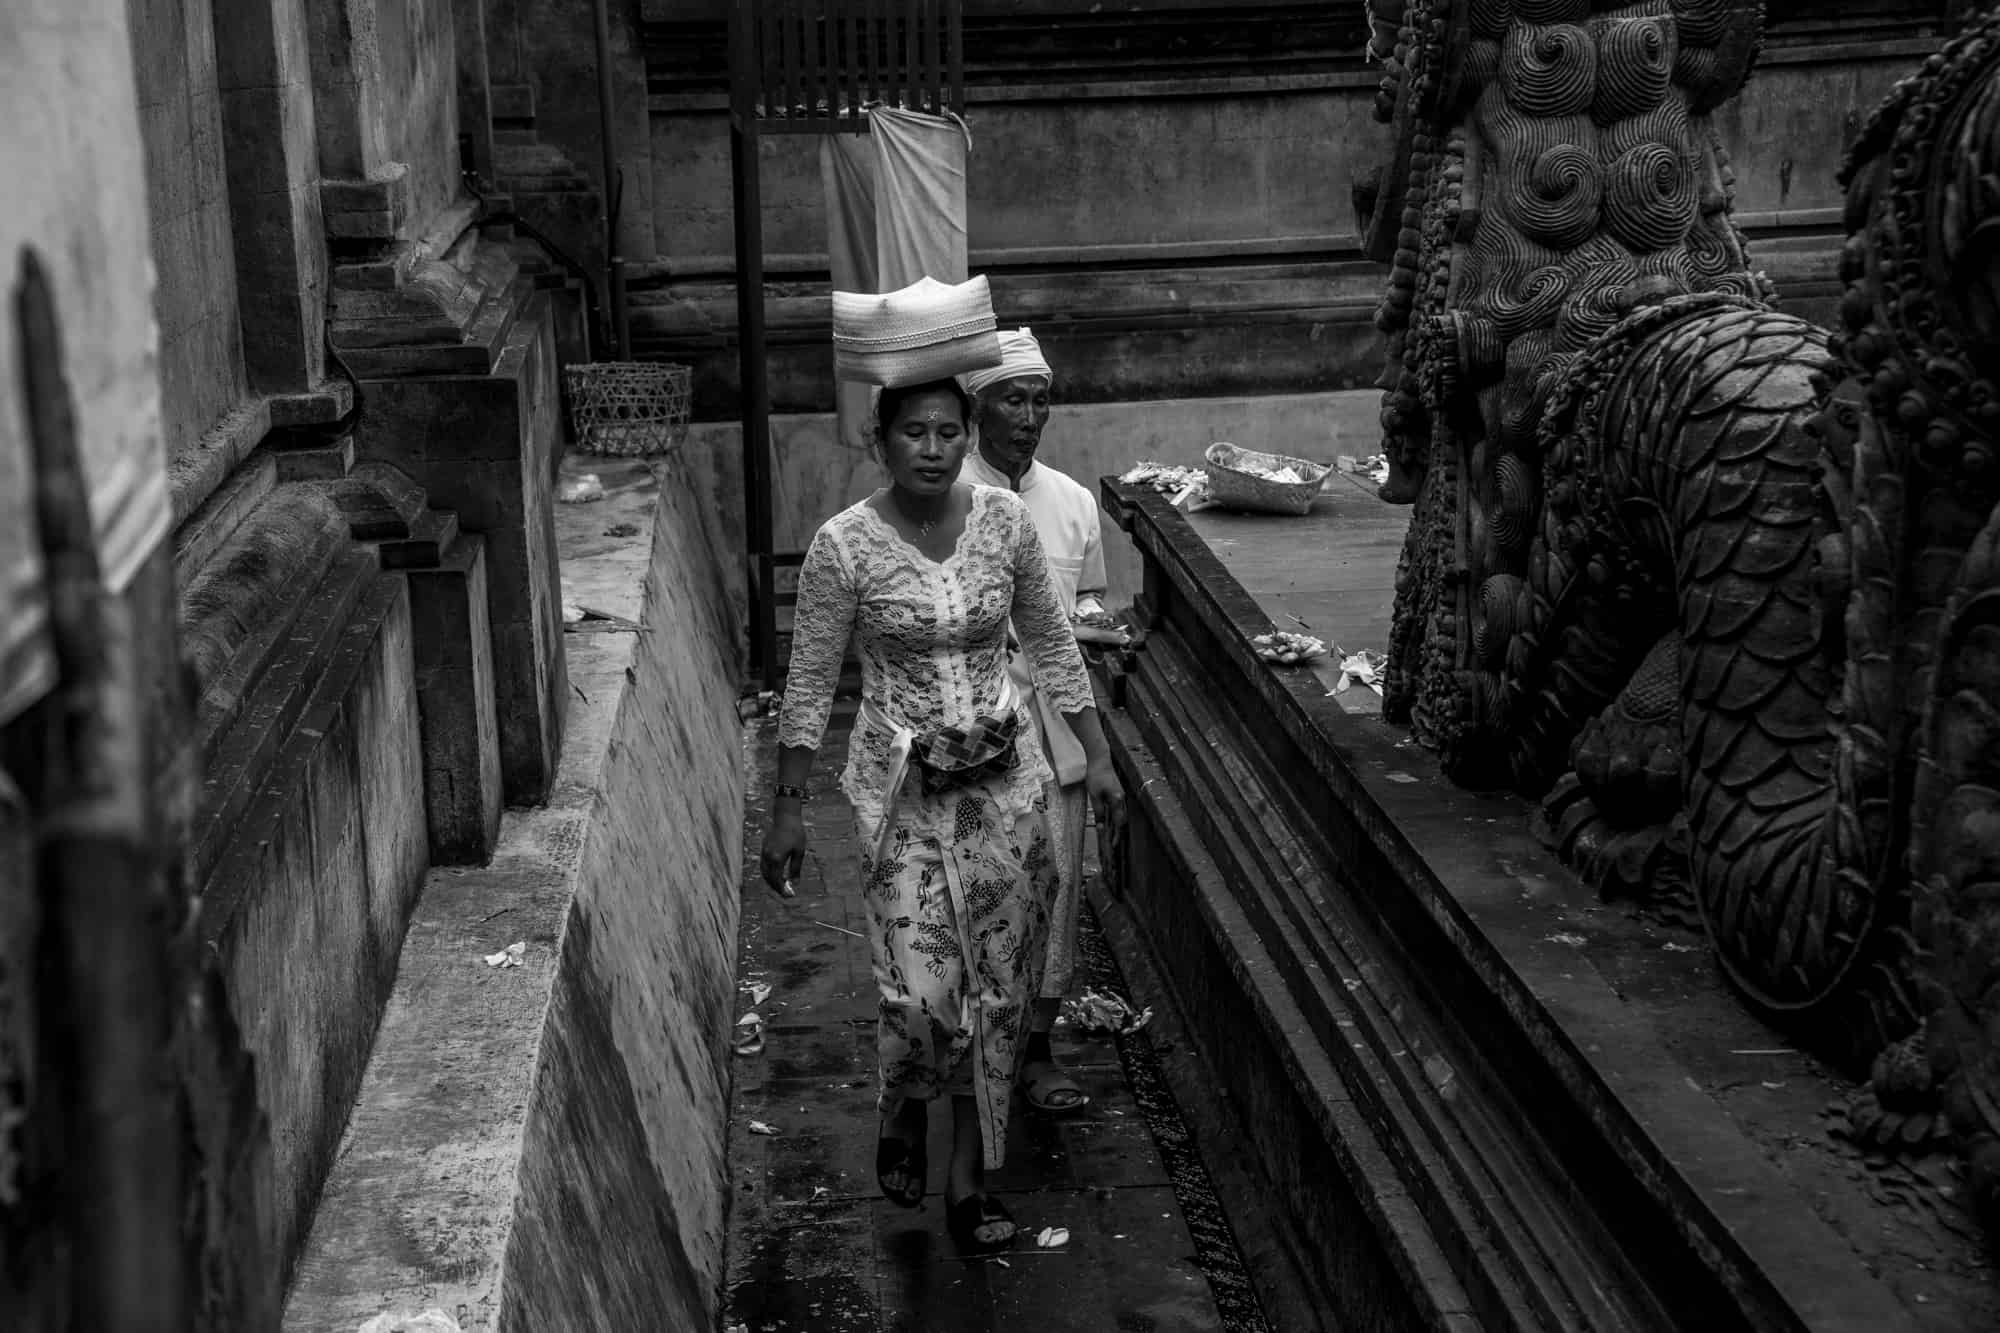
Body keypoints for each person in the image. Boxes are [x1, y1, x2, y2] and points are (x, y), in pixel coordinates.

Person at [760, 375, 1127, 1253]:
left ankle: (969, 1177)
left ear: (969, 437)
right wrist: (787, 807)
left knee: (998, 992)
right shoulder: (842, 547)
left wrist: (1101, 755)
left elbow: (1051, 639)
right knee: (922, 996)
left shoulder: (1005, 525)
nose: (931, 447)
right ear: (879, 440)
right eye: (913, 432)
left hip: (1007, 791)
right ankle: (901, 1101)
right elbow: (810, 684)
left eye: (947, 430)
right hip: (903, 798)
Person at [959, 328, 1108, 1115]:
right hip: (976, 731)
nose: (1028, 416)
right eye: (1012, 399)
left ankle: (1039, 1044)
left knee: (1056, 889)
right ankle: (975, 1042)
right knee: (983, 893)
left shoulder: (1074, 504)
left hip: (1056, 729)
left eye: (1039, 400)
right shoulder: (946, 499)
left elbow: (1088, 605)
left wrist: (1091, 630)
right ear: (977, 406)